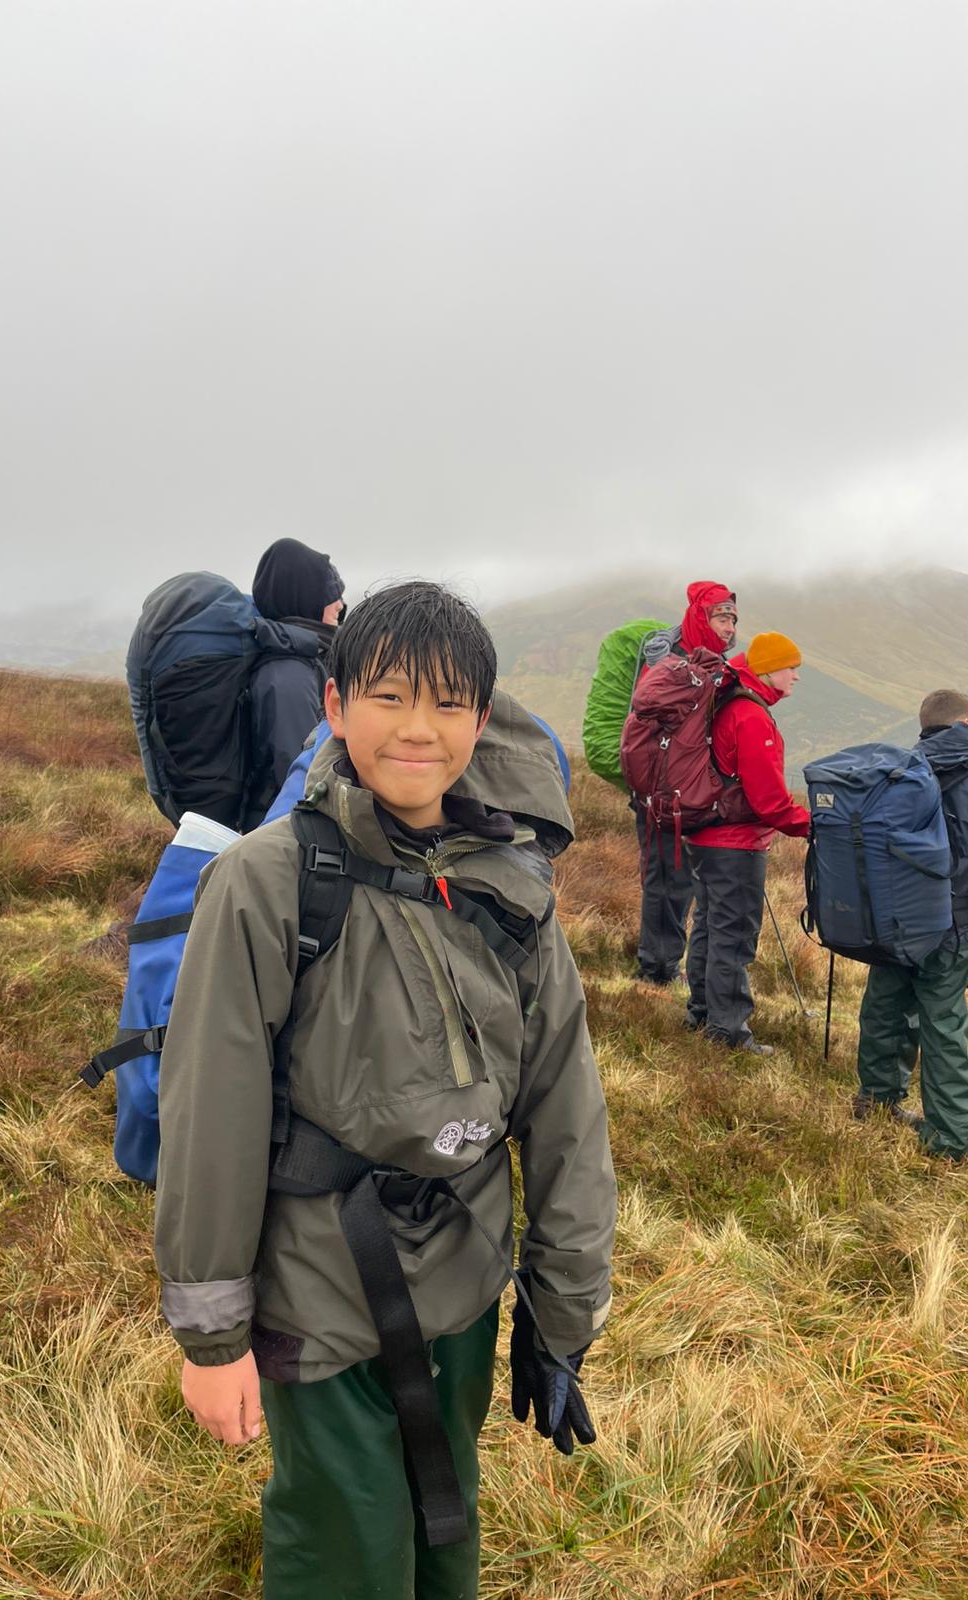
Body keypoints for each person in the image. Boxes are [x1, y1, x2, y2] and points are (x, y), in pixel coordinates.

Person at [154, 581, 617, 1600]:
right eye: (390, 696)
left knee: (445, 1529)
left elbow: (565, 1108)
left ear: (481, 720)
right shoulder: (266, 881)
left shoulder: (512, 887)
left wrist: (561, 1312)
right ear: (335, 706)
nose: (418, 728)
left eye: (448, 703)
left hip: (464, 1278)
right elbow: (211, 1112)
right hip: (318, 1287)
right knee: (346, 1548)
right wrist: (213, 1337)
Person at [853, 689, 968, 1161]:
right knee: (944, 1027)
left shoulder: (893, 776)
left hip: (888, 922)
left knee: (884, 1008)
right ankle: (951, 1140)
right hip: (948, 929)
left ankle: (876, 1100)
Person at [684, 631, 810, 1052]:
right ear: (770, 670)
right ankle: (728, 1032)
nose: (796, 676)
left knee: (709, 926)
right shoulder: (751, 715)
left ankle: (702, 1014)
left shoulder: (729, 703)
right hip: (734, 844)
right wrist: (812, 825)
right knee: (733, 936)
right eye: (791, 668)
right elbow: (770, 801)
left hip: (704, 835)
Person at [633, 582, 738, 985]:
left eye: (733, 620)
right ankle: (656, 969)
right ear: (701, 618)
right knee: (667, 878)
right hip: (665, 792)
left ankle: (665, 963)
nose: (729, 627)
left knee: (682, 880)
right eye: (722, 618)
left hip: (693, 790)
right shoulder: (670, 663)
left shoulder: (713, 663)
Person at [244, 537, 346, 829]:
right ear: (305, 598)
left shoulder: (306, 659)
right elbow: (304, 771)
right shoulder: (288, 674)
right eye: (331, 593)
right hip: (285, 827)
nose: (340, 604)